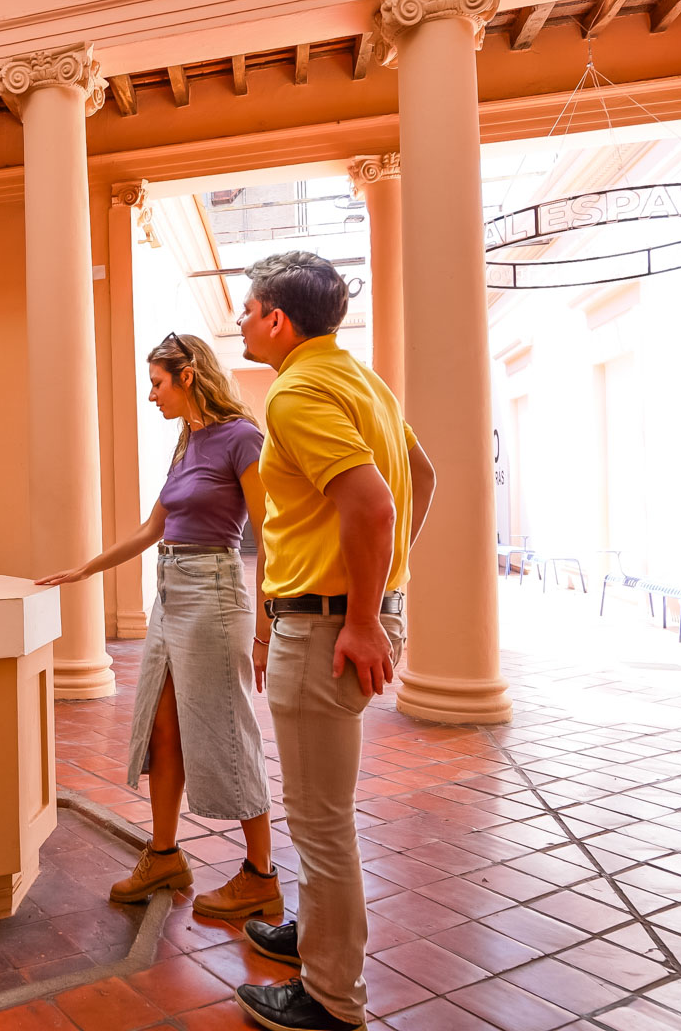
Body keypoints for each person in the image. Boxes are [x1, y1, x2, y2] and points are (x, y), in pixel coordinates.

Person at [230, 252, 435, 1031]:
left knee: (319, 821)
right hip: (337, 615)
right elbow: (424, 476)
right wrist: (383, 590)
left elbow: (375, 503)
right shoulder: (360, 380)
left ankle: (331, 997)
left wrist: (360, 614)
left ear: (276, 319)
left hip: (324, 626)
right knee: (320, 808)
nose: (243, 322)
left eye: (248, 311)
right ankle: (313, 938)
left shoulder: (295, 392)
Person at [37, 333, 280, 920]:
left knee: (226, 728)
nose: (152, 395)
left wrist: (264, 630)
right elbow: (152, 531)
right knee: (162, 728)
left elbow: (269, 532)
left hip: (215, 592)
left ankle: (261, 874)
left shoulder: (241, 438)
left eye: (157, 383)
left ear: (189, 375)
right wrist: (83, 569)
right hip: (170, 592)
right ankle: (165, 854)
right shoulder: (185, 443)